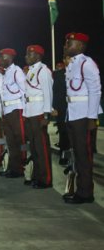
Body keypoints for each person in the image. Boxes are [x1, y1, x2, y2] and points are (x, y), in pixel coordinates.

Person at [63, 33, 101, 204]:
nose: (65, 45)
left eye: (69, 43)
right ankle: (80, 189)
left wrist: (92, 118)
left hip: (84, 116)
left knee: (84, 156)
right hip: (73, 113)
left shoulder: (87, 63)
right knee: (77, 154)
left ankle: (86, 193)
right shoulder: (72, 65)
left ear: (79, 46)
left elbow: (95, 91)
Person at [24, 45, 53, 189]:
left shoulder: (43, 71)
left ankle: (46, 179)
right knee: (34, 148)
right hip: (30, 112)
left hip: (39, 112)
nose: (26, 56)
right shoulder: (31, 71)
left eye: (30, 54)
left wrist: (46, 115)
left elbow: (48, 93)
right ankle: (36, 176)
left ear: (38, 56)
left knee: (41, 148)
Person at [0, 48, 27, 178]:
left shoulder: (17, 71)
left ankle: (20, 168)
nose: (1, 60)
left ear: (10, 58)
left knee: (19, 140)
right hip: (7, 110)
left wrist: (25, 111)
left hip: (16, 109)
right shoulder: (6, 73)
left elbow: (25, 91)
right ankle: (12, 167)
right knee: (10, 142)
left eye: (3, 57)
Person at [52, 57, 71, 165]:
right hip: (62, 108)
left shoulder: (80, 70)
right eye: (67, 58)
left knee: (75, 135)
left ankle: (76, 158)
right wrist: (54, 107)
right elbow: (55, 91)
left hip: (77, 108)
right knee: (63, 134)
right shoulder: (58, 74)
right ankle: (63, 156)